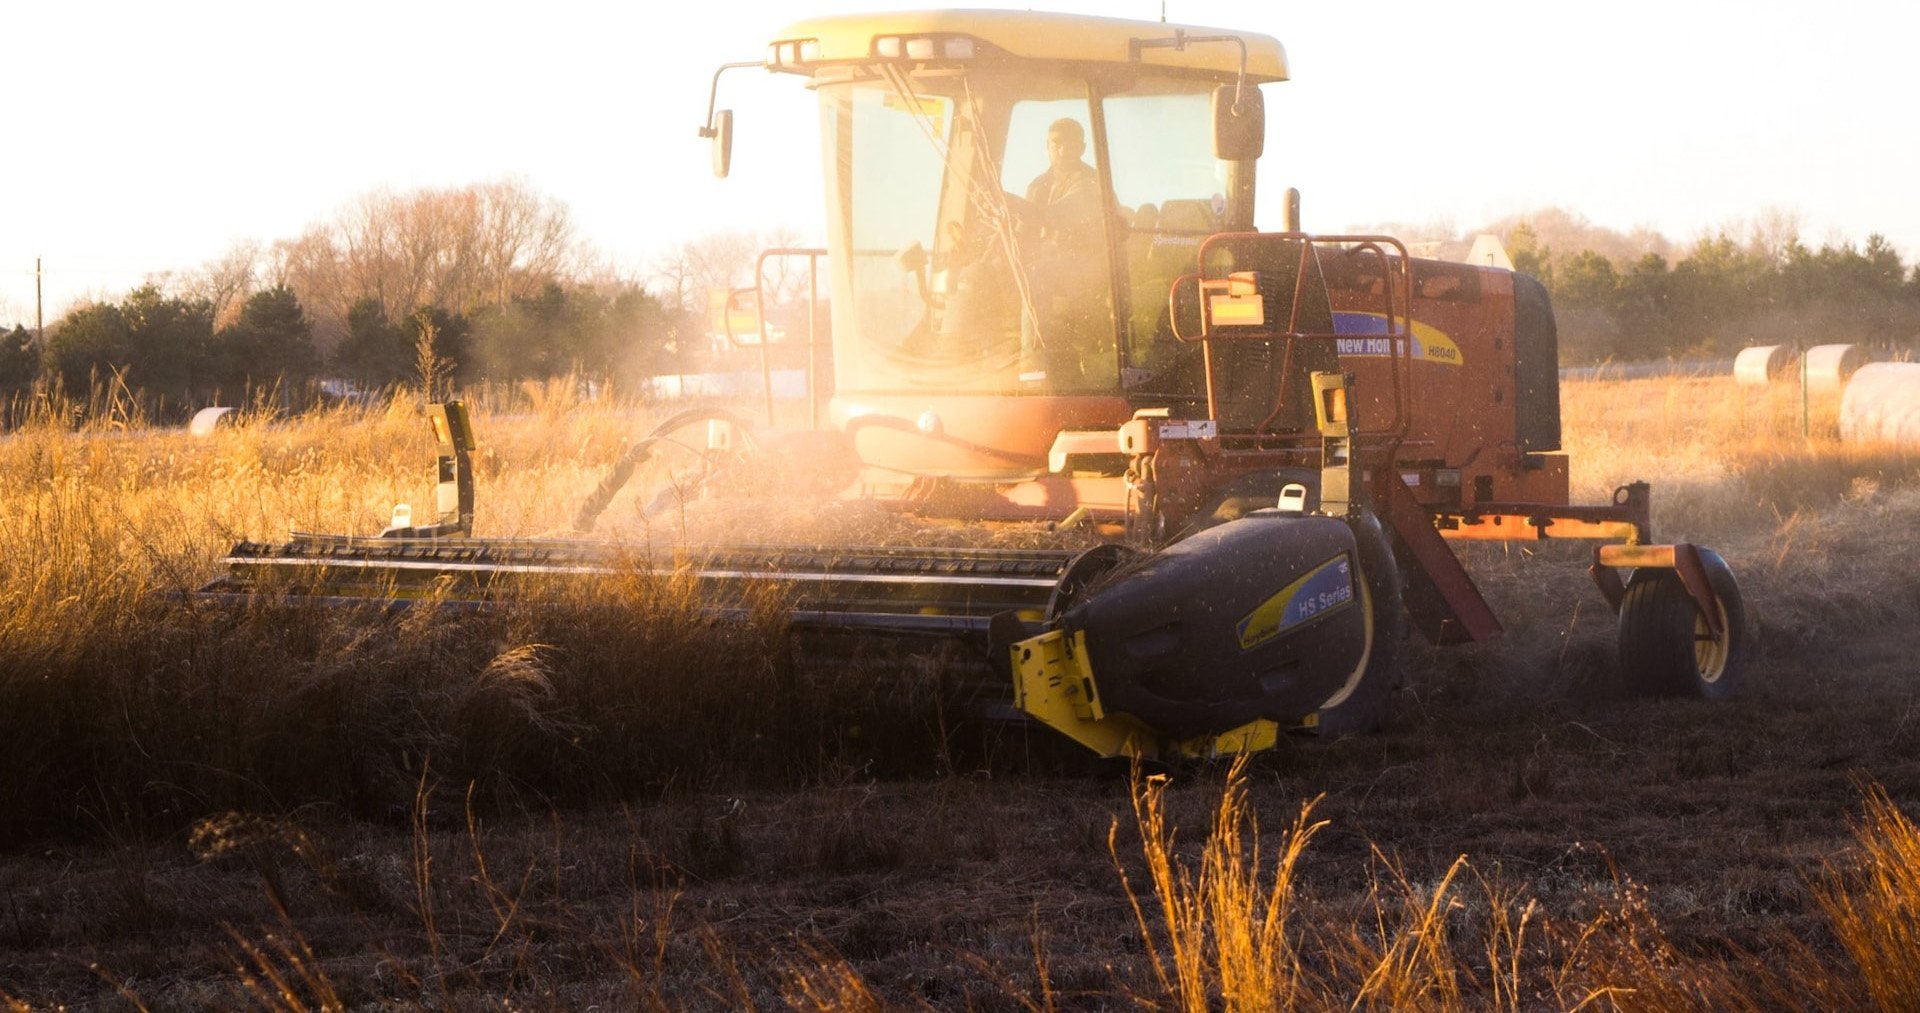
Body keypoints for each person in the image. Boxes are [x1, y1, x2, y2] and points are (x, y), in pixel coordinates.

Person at [1016, 118, 1110, 387]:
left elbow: (1063, 213)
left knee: (1037, 272)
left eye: (1068, 143)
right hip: (1050, 263)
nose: (1061, 149)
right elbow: (1024, 231)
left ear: (1081, 147)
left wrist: (1020, 209)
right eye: (1055, 143)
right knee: (982, 271)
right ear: (1047, 146)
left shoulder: (1091, 183)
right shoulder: (1037, 186)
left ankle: (1031, 365)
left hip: (1087, 268)